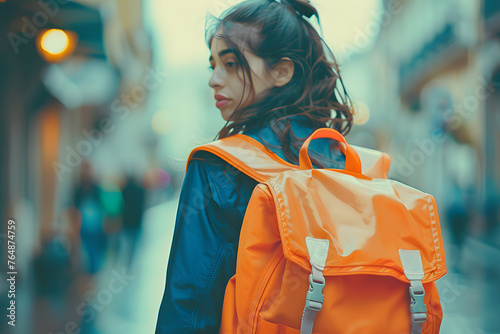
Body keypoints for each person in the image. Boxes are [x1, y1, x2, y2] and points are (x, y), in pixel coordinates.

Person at [155, 0, 354, 332]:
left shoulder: (217, 167)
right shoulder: (343, 161)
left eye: (231, 64)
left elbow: (189, 304)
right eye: (213, 65)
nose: (214, 80)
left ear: (282, 71)